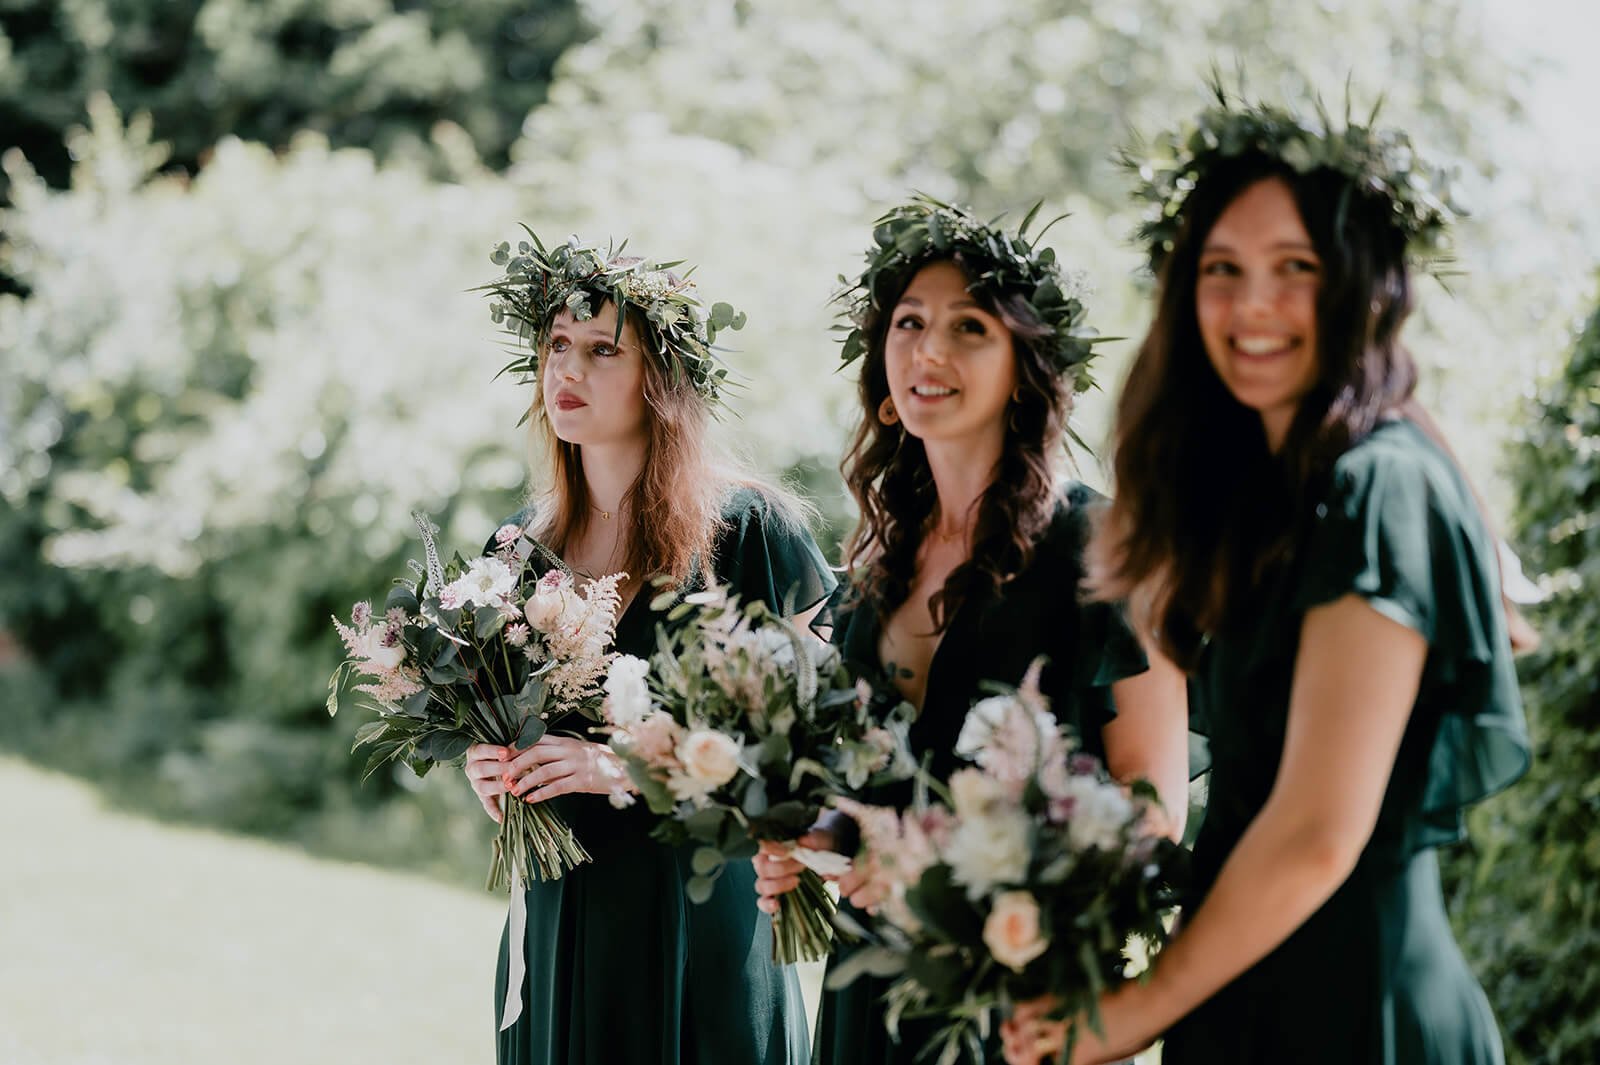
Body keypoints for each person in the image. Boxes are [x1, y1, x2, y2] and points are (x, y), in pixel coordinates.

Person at [1001, 91, 1533, 1065]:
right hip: (1239, 1006)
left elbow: (1316, 832)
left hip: (1354, 1013)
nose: (1253, 304)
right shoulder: (1266, 500)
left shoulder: (1380, 490)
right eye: (1223, 270)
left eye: (1296, 268)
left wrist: (1130, 1011)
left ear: (1364, 286)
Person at [751, 197, 1191, 1065]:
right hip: (870, 991)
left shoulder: (1104, 550)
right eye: (909, 321)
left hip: (1020, 1000)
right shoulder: (879, 558)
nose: (929, 349)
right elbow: (887, 790)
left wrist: (954, 873)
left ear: (1027, 366)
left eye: (969, 326)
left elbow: (1153, 812)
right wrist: (818, 837)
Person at [462, 235, 832, 1065]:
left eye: (602, 351)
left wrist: (626, 768)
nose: (569, 370)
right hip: (561, 920)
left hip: (699, 917)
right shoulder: (517, 550)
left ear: (660, 379)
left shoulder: (748, 534)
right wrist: (490, 765)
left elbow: (809, 754)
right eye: (557, 345)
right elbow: (504, 719)